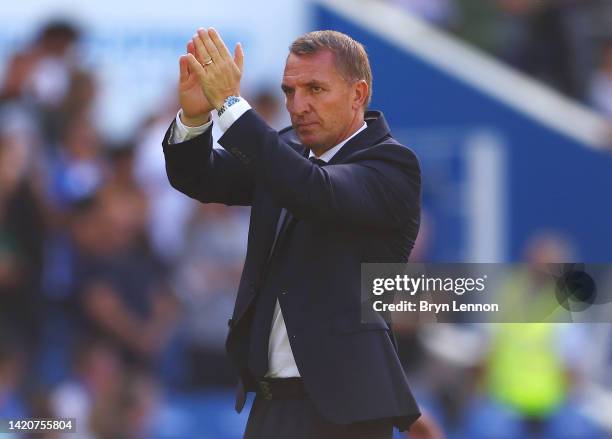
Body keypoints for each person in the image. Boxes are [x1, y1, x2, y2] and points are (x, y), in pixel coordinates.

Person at [163, 28, 431, 438]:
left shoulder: (392, 165)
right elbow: (201, 178)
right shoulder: (285, 152)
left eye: (315, 89)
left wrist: (232, 106)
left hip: (347, 409)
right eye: (289, 91)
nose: (298, 105)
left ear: (358, 95)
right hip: (272, 402)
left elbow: (314, 191)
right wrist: (196, 119)